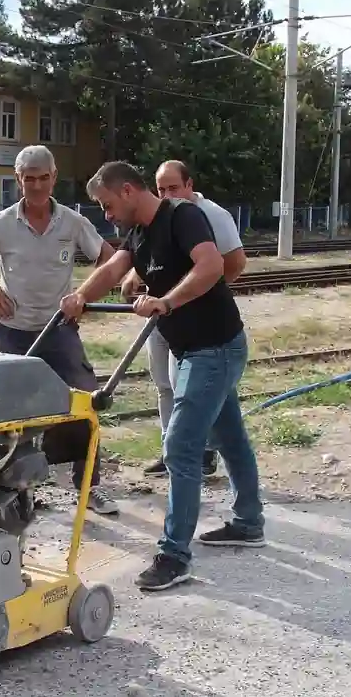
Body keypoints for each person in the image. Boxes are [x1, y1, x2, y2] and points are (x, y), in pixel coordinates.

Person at [61, 161, 265, 591]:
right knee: (229, 437)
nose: (107, 214)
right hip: (192, 348)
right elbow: (114, 269)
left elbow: (210, 267)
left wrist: (166, 302)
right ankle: (248, 522)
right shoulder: (139, 232)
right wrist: (80, 296)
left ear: (130, 191)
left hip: (216, 348)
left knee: (180, 446)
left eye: (108, 204)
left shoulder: (184, 216)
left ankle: (174, 555)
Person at [0, 144, 120, 515]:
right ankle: (12, 492)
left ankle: (88, 487)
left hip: (59, 330)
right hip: (14, 332)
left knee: (84, 403)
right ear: (18, 179)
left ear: (54, 178)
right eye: (29, 179)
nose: (37, 186)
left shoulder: (72, 223)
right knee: (6, 415)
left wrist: (83, 295)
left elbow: (109, 258)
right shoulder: (2, 222)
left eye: (44, 178)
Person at [120, 160, 247, 478]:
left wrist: (201, 292)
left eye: (173, 188)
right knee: (163, 382)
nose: (166, 194)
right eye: (161, 189)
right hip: (161, 314)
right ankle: (171, 449)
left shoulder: (212, 215)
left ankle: (195, 454)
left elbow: (232, 262)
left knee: (188, 388)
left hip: (195, 321)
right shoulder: (158, 219)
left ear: (190, 185)